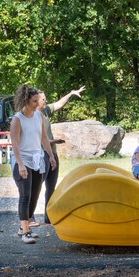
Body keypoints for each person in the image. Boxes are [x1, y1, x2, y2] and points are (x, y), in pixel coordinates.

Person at [10, 84, 56, 244]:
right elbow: (15, 144)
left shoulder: (39, 116)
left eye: (38, 100)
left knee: (35, 196)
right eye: (35, 101)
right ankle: (25, 232)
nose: (38, 104)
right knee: (25, 195)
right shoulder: (17, 119)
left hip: (37, 158)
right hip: (22, 159)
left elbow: (44, 138)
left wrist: (50, 156)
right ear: (26, 101)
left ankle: (24, 227)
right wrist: (21, 164)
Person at [37, 85, 85, 225]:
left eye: (45, 98)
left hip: (53, 153)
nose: (45, 101)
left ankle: (48, 217)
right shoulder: (34, 116)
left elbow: (58, 104)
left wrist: (71, 93)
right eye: (43, 99)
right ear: (36, 100)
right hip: (42, 155)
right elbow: (39, 138)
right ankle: (29, 217)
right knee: (37, 186)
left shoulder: (45, 110)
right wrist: (54, 141)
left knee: (51, 187)